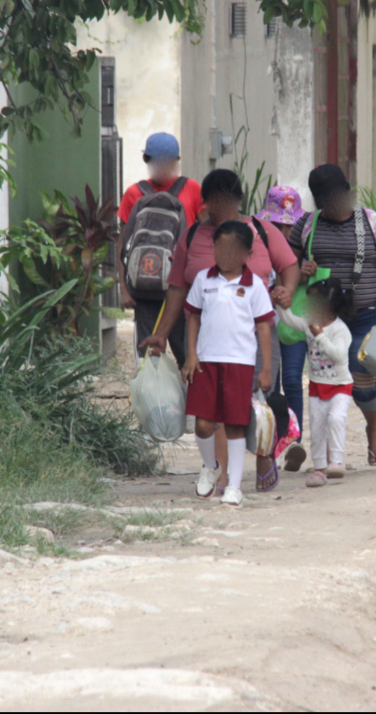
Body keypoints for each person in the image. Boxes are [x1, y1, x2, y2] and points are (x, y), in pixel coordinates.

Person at [140, 170, 300, 493]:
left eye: (225, 201)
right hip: (206, 337)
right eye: (212, 201)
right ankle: (222, 472)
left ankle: (264, 454)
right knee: (214, 408)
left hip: (254, 333)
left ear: (238, 200)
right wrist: (162, 333)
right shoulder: (191, 237)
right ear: (206, 202)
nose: (218, 208)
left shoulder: (262, 231)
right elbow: (177, 289)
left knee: (257, 398)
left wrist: (288, 291)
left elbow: (289, 265)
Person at [289, 165, 376, 468]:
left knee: (361, 377)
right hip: (323, 314)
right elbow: (287, 267)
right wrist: (300, 272)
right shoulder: (306, 225)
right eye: (324, 202)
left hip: (367, 312)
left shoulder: (372, 222)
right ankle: (330, 450)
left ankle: (372, 425)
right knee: (325, 377)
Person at [182, 221, 275, 508]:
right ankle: (210, 466)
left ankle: (234, 485)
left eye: (232, 249)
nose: (225, 255)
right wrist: (191, 354)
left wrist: (266, 368)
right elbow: (194, 318)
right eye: (219, 248)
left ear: (248, 253)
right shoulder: (203, 280)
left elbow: (263, 328)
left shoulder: (255, 286)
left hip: (240, 363)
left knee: (235, 425)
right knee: (202, 423)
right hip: (205, 362)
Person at [119, 132, 205, 363]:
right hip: (150, 288)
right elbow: (124, 244)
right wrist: (124, 288)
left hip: (175, 287)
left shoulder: (191, 189)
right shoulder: (133, 193)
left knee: (183, 354)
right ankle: (158, 389)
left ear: (145, 158)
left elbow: (123, 246)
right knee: (151, 357)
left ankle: (182, 388)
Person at [274, 278, 354, 488]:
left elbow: (338, 355)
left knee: (336, 418)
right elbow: (290, 320)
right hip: (317, 387)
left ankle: (336, 461)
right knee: (317, 427)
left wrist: (320, 337)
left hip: (340, 386)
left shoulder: (340, 329)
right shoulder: (309, 324)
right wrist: (279, 304)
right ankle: (319, 469)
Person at [256, 185, 308, 472]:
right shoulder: (256, 242)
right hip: (264, 327)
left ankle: (293, 442)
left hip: (293, 324)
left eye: (291, 226)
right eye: (279, 225)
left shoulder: (306, 245)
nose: (286, 232)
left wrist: (304, 273)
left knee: (292, 379)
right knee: (269, 384)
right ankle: (270, 446)